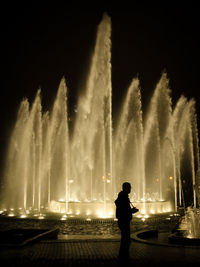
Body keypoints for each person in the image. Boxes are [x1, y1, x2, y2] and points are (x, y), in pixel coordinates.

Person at [115, 182, 139, 261]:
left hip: (123, 220)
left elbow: (124, 209)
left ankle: (123, 256)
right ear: (125, 188)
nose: (130, 189)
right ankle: (124, 257)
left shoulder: (123, 196)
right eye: (129, 188)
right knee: (126, 239)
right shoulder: (123, 197)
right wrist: (132, 211)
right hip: (123, 220)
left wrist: (131, 210)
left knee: (125, 239)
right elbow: (124, 210)